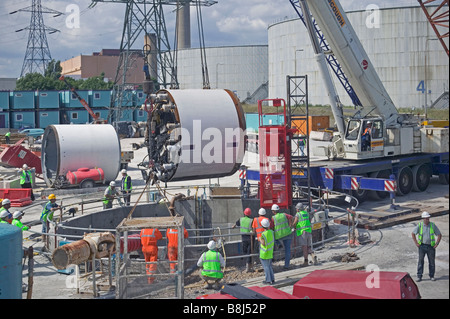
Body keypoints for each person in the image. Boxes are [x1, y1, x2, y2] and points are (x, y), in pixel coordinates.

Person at [411, 211, 442, 282]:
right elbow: (413, 233)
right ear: (423, 219)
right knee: (420, 261)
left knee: (431, 262)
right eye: (426, 218)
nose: (427, 220)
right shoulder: (420, 225)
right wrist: (416, 243)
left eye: (428, 218)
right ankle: (419, 276)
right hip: (422, 246)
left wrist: (437, 244)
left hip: (431, 247)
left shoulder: (432, 225)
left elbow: (439, 235)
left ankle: (432, 276)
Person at [271, 204, 293, 270]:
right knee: (287, 250)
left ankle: (279, 244)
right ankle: (287, 266)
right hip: (287, 233)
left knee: (273, 239)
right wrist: (290, 225)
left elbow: (271, 227)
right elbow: (291, 217)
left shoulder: (273, 218)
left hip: (279, 236)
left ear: (273, 211)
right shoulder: (284, 214)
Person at [232, 208, 254, 272]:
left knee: (245, 251)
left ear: (244, 213)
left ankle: (246, 262)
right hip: (250, 238)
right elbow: (254, 228)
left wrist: (234, 226)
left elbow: (236, 223)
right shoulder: (251, 220)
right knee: (249, 252)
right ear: (250, 214)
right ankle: (248, 266)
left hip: (244, 238)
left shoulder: (241, 219)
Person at [259, 218, 275, 285]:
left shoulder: (263, 234)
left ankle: (268, 280)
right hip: (270, 252)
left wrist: (259, 239)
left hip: (264, 253)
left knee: (266, 267)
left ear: (262, 226)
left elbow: (263, 243)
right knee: (269, 266)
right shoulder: (271, 232)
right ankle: (272, 279)